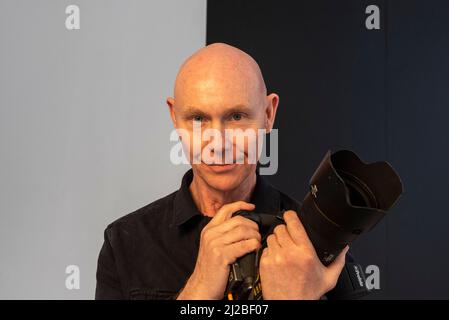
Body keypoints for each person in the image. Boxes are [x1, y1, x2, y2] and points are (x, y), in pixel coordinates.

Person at [95, 43, 353, 300]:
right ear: (175, 117)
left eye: (236, 117)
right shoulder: (125, 243)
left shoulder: (315, 245)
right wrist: (197, 292)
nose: (218, 143)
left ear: (268, 114)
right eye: (198, 119)